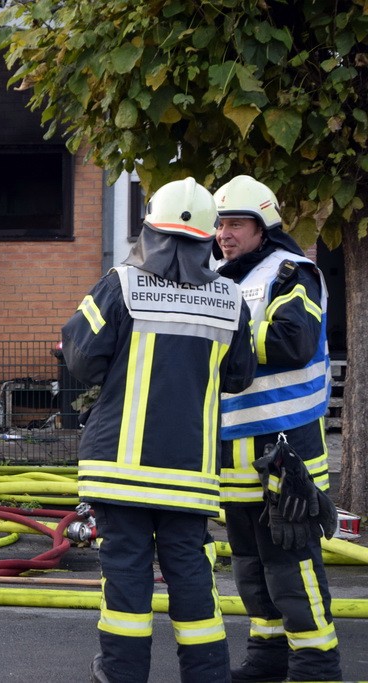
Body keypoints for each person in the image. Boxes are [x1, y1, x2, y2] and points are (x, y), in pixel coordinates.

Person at [61, 177, 256, 683]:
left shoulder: (120, 284)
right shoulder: (230, 300)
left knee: (126, 583)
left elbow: (79, 358)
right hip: (190, 475)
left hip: (118, 472)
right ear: (209, 239)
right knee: (192, 579)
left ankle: (122, 676)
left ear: (149, 230)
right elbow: (239, 376)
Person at [214, 174, 342, 682]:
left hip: (283, 446)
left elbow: (294, 340)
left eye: (237, 223)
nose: (225, 233)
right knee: (248, 561)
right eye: (220, 223)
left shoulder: (292, 273)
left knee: (290, 559)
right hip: (232, 449)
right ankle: (268, 654)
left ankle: (315, 662)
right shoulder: (222, 280)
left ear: (263, 227)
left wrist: (224, 333)